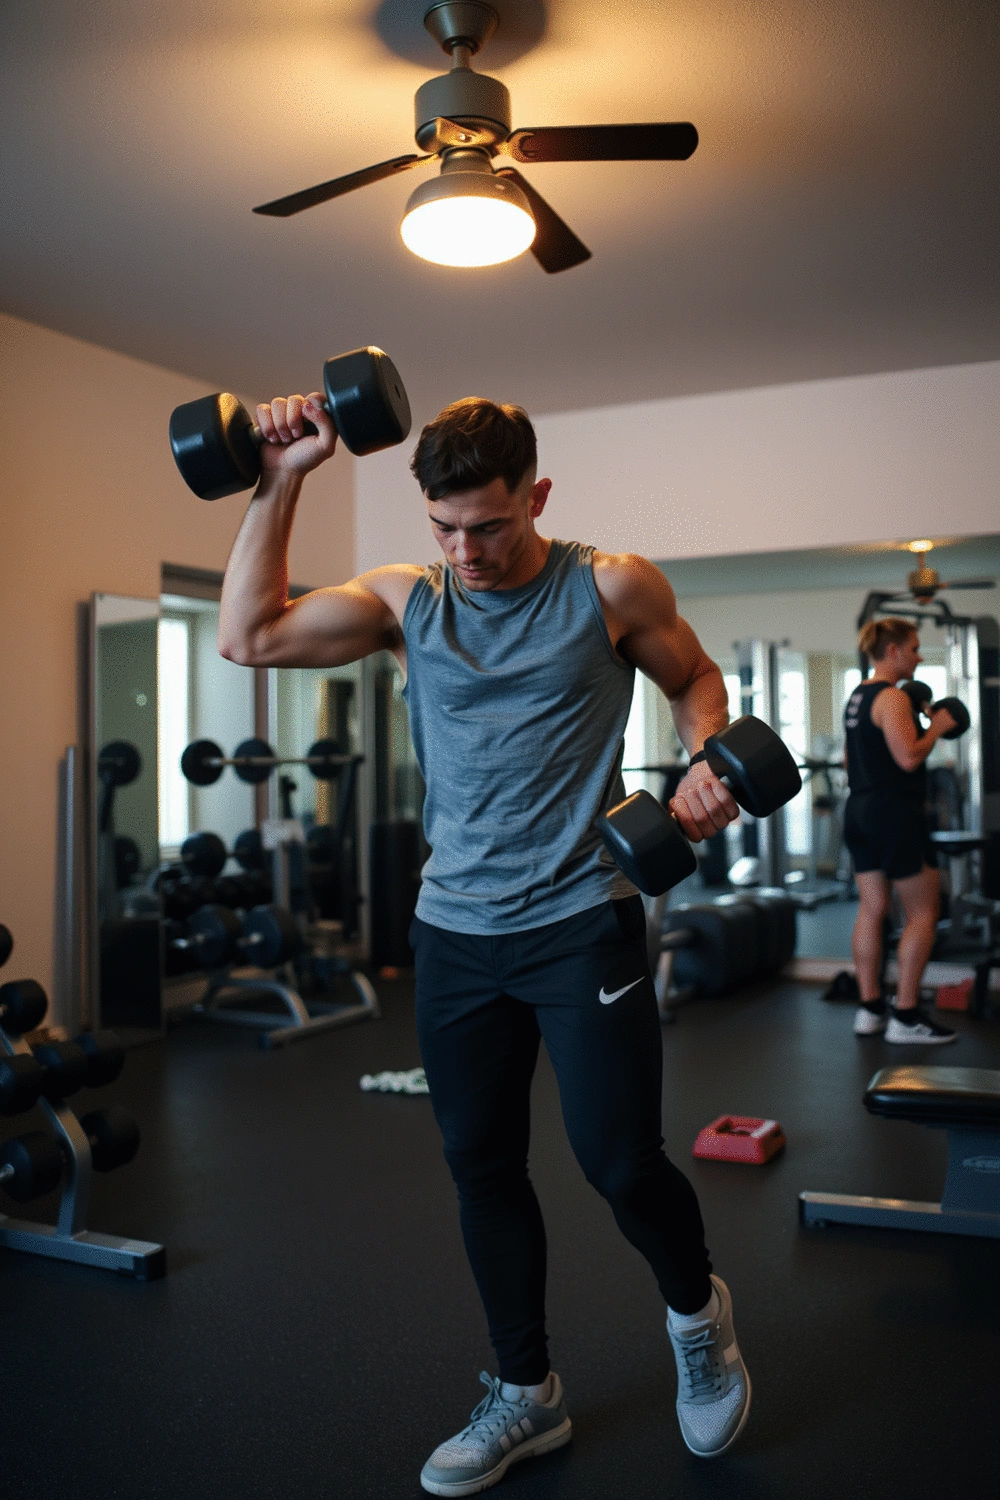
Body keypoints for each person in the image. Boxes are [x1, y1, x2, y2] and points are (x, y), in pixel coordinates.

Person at [218, 390, 751, 1493]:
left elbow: (695, 679)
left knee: (617, 1161)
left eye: (490, 526)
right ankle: (526, 1394)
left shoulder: (610, 585)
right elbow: (248, 634)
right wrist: (284, 476)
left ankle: (697, 1317)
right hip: (455, 931)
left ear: (537, 500)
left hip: (580, 918)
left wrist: (705, 760)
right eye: (443, 528)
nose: (465, 550)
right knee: (481, 1167)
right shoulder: (407, 602)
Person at [843, 617, 958, 1044]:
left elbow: (847, 763)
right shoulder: (891, 698)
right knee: (923, 913)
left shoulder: (856, 697)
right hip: (894, 811)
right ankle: (906, 1016)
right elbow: (909, 758)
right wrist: (938, 730)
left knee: (872, 909)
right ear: (892, 651)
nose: (919, 655)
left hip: (858, 809)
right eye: (913, 648)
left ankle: (870, 1010)